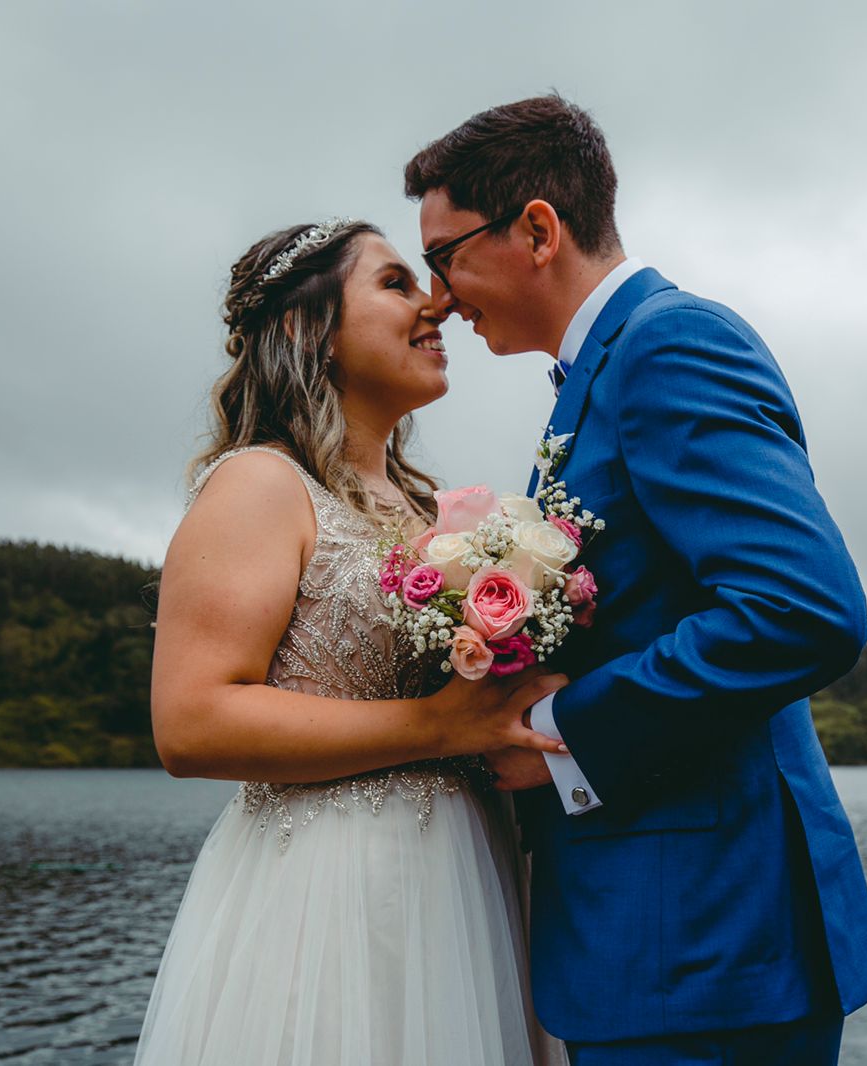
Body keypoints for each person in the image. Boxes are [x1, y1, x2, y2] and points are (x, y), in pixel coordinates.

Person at [404, 96, 867, 1065]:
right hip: (662, 943)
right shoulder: (597, 377)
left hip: (708, 941)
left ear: (537, 230)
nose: (440, 297)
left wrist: (558, 733)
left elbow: (802, 608)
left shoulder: (669, 346)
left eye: (445, 256)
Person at [133, 217, 568, 1065]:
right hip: (329, 898)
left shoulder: (435, 511)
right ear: (311, 329)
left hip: (468, 885)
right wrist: (438, 726)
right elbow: (191, 723)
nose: (437, 303)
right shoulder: (261, 484)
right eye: (396, 283)